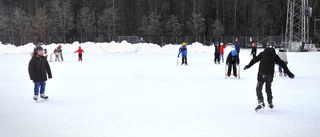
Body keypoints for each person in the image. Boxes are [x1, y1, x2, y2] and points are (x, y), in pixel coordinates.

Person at [243, 45, 295, 111]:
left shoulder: (262, 54)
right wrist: (289, 74)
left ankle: (261, 102)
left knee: (258, 88)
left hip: (262, 74)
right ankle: (270, 102)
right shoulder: (275, 56)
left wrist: (248, 66)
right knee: (268, 88)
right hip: (270, 75)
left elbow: (254, 60)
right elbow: (282, 64)